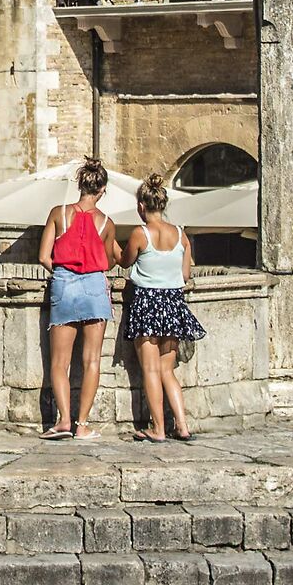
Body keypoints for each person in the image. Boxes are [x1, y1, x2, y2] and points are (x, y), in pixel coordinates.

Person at [119, 174, 204, 443]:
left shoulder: (139, 234)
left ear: (142, 206)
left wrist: (110, 243)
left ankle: (157, 428)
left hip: (146, 304)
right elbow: (186, 275)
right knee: (168, 370)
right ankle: (182, 425)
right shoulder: (181, 235)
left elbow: (124, 261)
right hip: (173, 304)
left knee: (151, 371)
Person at [38, 157, 119, 440]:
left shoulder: (58, 213)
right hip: (95, 287)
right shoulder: (107, 223)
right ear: (103, 190)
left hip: (64, 284)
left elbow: (43, 256)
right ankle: (82, 425)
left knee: (59, 362)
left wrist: (63, 272)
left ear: (80, 185)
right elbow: (107, 261)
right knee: (92, 360)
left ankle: (63, 421)